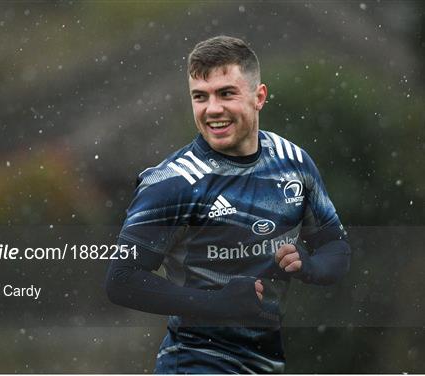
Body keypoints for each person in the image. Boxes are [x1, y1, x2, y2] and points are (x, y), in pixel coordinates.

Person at [105, 35, 351, 374]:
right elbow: (121, 278)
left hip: (267, 361)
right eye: (200, 97)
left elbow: (334, 245)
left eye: (226, 93)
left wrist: (309, 267)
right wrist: (215, 304)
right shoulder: (172, 183)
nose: (212, 109)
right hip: (195, 362)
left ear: (259, 96)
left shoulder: (294, 162)